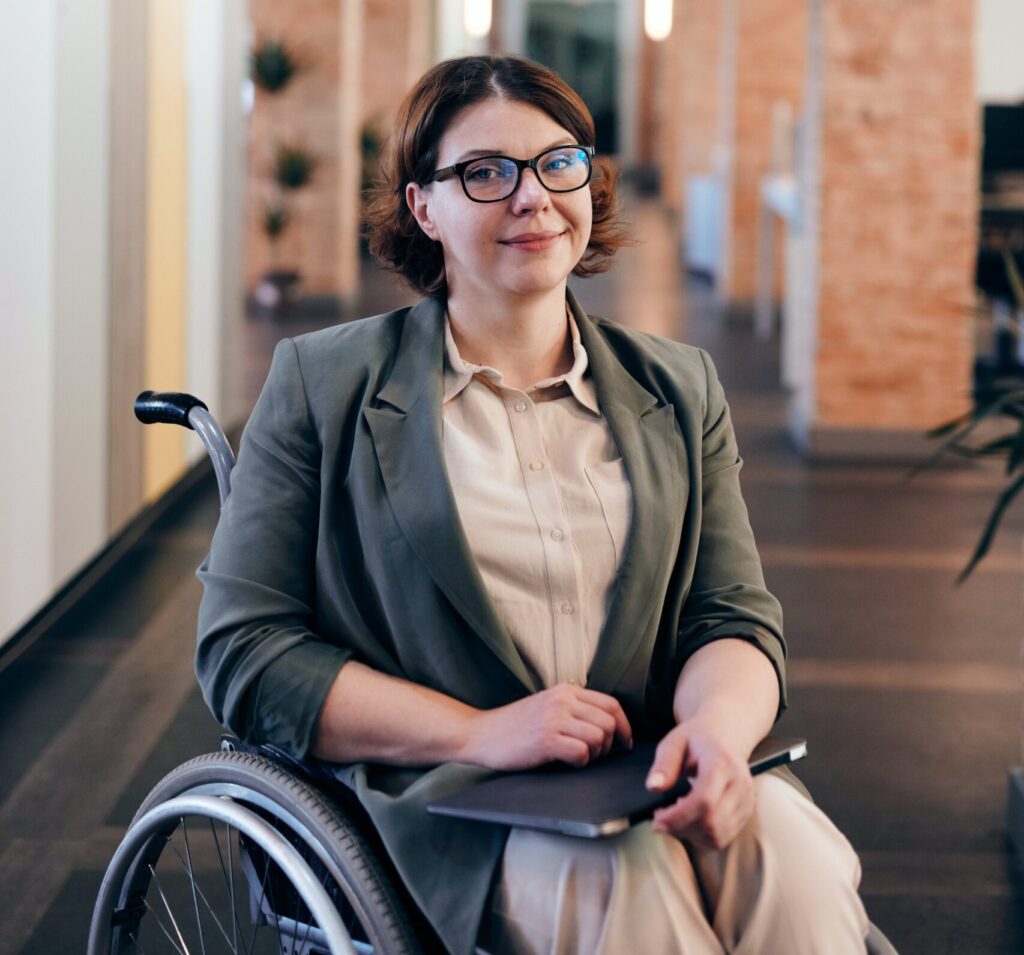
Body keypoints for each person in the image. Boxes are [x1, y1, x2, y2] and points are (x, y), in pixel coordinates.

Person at [197, 54, 870, 954]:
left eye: (559, 162)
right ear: (422, 206)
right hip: (452, 798)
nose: (533, 196)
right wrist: (484, 731)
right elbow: (246, 651)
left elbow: (730, 613)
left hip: (645, 771)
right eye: (485, 172)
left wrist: (716, 728)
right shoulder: (326, 385)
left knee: (798, 861)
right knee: (629, 887)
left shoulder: (678, 385)